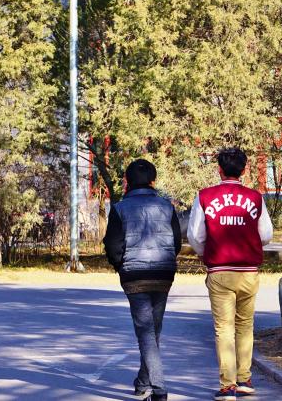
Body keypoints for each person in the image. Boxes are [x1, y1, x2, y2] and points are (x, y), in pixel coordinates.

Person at [187, 147, 273, 401]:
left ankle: (227, 386)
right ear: (245, 169)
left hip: (220, 270)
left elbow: (195, 235)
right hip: (248, 271)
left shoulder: (205, 196)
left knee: (223, 328)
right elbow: (266, 234)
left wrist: (206, 254)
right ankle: (244, 379)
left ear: (219, 169)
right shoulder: (255, 198)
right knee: (245, 325)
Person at [104, 159, 181, 401]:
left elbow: (113, 245)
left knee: (147, 333)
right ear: (153, 181)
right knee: (152, 331)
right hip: (163, 273)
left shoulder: (119, 208)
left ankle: (158, 389)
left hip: (134, 276)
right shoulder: (167, 207)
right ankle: (142, 382)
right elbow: (177, 243)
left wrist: (121, 267)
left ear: (127, 181)